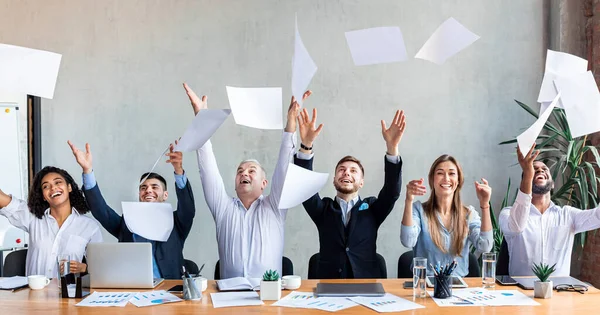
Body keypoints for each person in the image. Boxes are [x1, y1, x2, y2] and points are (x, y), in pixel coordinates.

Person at [185, 83, 305, 279]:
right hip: (228, 300)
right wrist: (202, 122)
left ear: (264, 184)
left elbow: (284, 168)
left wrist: (291, 125)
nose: (244, 174)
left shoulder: (275, 207)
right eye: (240, 171)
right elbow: (208, 170)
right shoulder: (223, 207)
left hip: (268, 299)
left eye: (251, 171)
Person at [294, 108, 405, 279]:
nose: (346, 173)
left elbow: (392, 191)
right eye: (342, 170)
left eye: (353, 171)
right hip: (329, 287)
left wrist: (392, 148)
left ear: (361, 182)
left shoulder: (373, 209)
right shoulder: (323, 209)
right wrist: (306, 146)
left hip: (366, 287)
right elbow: (304, 186)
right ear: (334, 180)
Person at [68, 140, 196, 279]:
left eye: (154, 187)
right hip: (132, 288)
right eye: (143, 187)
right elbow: (101, 211)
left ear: (165, 195)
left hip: (170, 290)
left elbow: (188, 208)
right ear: (139, 195)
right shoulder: (128, 222)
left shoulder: (176, 222)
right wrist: (87, 171)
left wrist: (178, 170)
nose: (148, 190)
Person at [499, 145, 600, 276]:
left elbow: (597, 217)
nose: (540, 170)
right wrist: (528, 174)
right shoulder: (508, 213)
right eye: (533, 169)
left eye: (544, 169)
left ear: (552, 184)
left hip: (559, 293)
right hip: (519, 292)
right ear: (525, 181)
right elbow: (517, 227)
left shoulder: (567, 215)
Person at [0, 166, 102, 278]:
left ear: (69, 187)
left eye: (58, 182)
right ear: (44, 196)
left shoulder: (90, 227)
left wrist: (84, 268)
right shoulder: (33, 218)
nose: (53, 188)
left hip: (68, 293)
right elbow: (4, 200)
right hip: (35, 293)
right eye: (46, 186)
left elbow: (101, 267)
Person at [401, 154, 493, 277]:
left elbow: (485, 246)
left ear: (458, 180)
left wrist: (485, 205)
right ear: (432, 179)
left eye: (451, 173)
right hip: (425, 285)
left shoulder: (468, 214)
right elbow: (408, 241)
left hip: (459, 287)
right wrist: (408, 200)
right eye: (440, 173)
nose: (446, 178)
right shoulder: (418, 209)